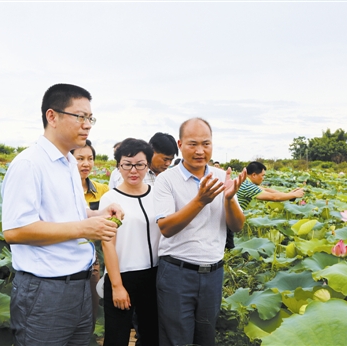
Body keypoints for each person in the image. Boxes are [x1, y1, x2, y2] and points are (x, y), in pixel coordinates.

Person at [1, 83, 123, 346]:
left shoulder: (68, 161)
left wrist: (98, 215)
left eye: (90, 118)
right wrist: (83, 229)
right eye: (80, 116)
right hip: (45, 291)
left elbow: (68, 215)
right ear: (52, 116)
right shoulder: (29, 164)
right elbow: (14, 232)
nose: (87, 124)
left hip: (79, 286)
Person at [154, 117, 247, 346]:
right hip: (177, 272)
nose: (199, 151)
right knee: (177, 339)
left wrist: (230, 199)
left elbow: (237, 226)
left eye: (206, 144)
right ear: (180, 144)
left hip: (213, 274)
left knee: (206, 338)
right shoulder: (166, 180)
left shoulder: (220, 177)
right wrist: (200, 201)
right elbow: (166, 228)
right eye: (192, 144)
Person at [100, 138, 160, 346]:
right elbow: (107, 243)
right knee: (117, 337)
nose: (133, 170)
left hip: (154, 275)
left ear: (148, 165)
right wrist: (117, 286)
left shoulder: (158, 195)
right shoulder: (110, 199)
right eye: (127, 164)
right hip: (122, 275)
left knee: (151, 336)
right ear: (119, 166)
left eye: (140, 164)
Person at [71, 139, 110, 329]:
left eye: (90, 158)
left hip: (94, 258)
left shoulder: (103, 191)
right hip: (67, 256)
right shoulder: (64, 190)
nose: (86, 163)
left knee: (90, 313)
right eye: (80, 158)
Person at [110, 132, 178, 187]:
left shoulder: (170, 177)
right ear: (152, 152)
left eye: (171, 160)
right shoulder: (132, 174)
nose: (168, 163)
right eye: (165, 159)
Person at [237, 161, 305, 209]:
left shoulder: (243, 181)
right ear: (254, 175)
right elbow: (274, 197)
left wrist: (289, 194)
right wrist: (295, 195)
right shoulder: (248, 186)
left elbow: (265, 189)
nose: (263, 179)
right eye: (262, 175)